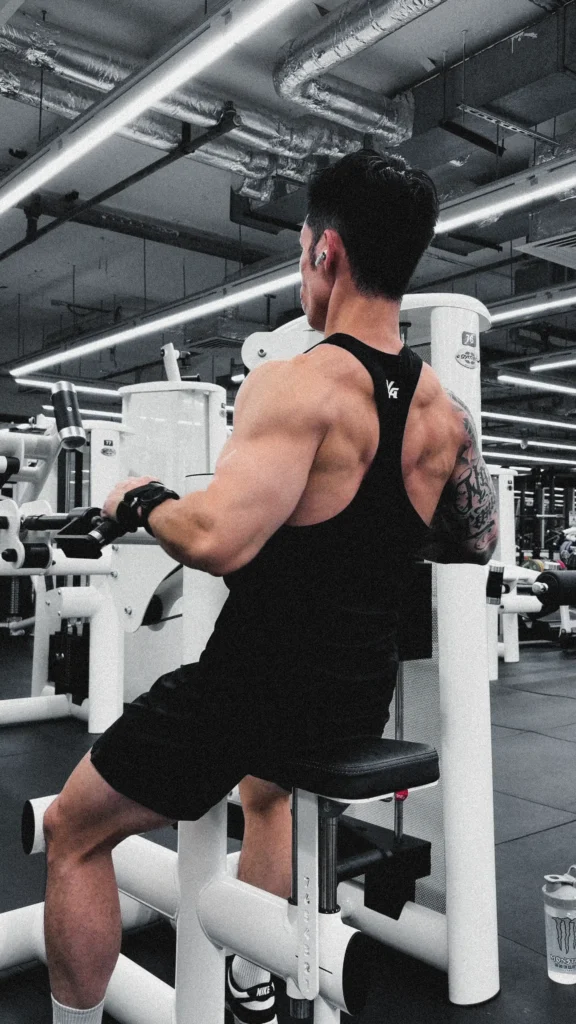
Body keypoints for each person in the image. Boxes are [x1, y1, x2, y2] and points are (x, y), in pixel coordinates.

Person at [42, 149, 498, 1024]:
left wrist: (139, 500)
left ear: (326, 254)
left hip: (247, 693)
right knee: (267, 791)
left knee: (72, 830)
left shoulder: (299, 381)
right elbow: (474, 540)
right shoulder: (445, 413)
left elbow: (217, 539)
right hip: (354, 699)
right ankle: (256, 987)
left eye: (301, 251)